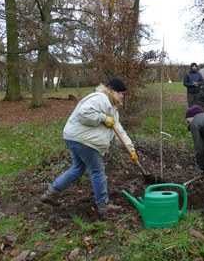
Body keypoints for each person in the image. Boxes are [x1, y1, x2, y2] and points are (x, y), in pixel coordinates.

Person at [39, 77, 138, 216]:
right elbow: (83, 113)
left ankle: (51, 193)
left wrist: (130, 150)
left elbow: (119, 132)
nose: (123, 97)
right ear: (114, 91)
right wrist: (103, 118)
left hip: (74, 138)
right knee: (97, 171)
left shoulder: (113, 109)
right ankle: (103, 205)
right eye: (122, 93)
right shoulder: (100, 98)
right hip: (83, 140)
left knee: (78, 168)